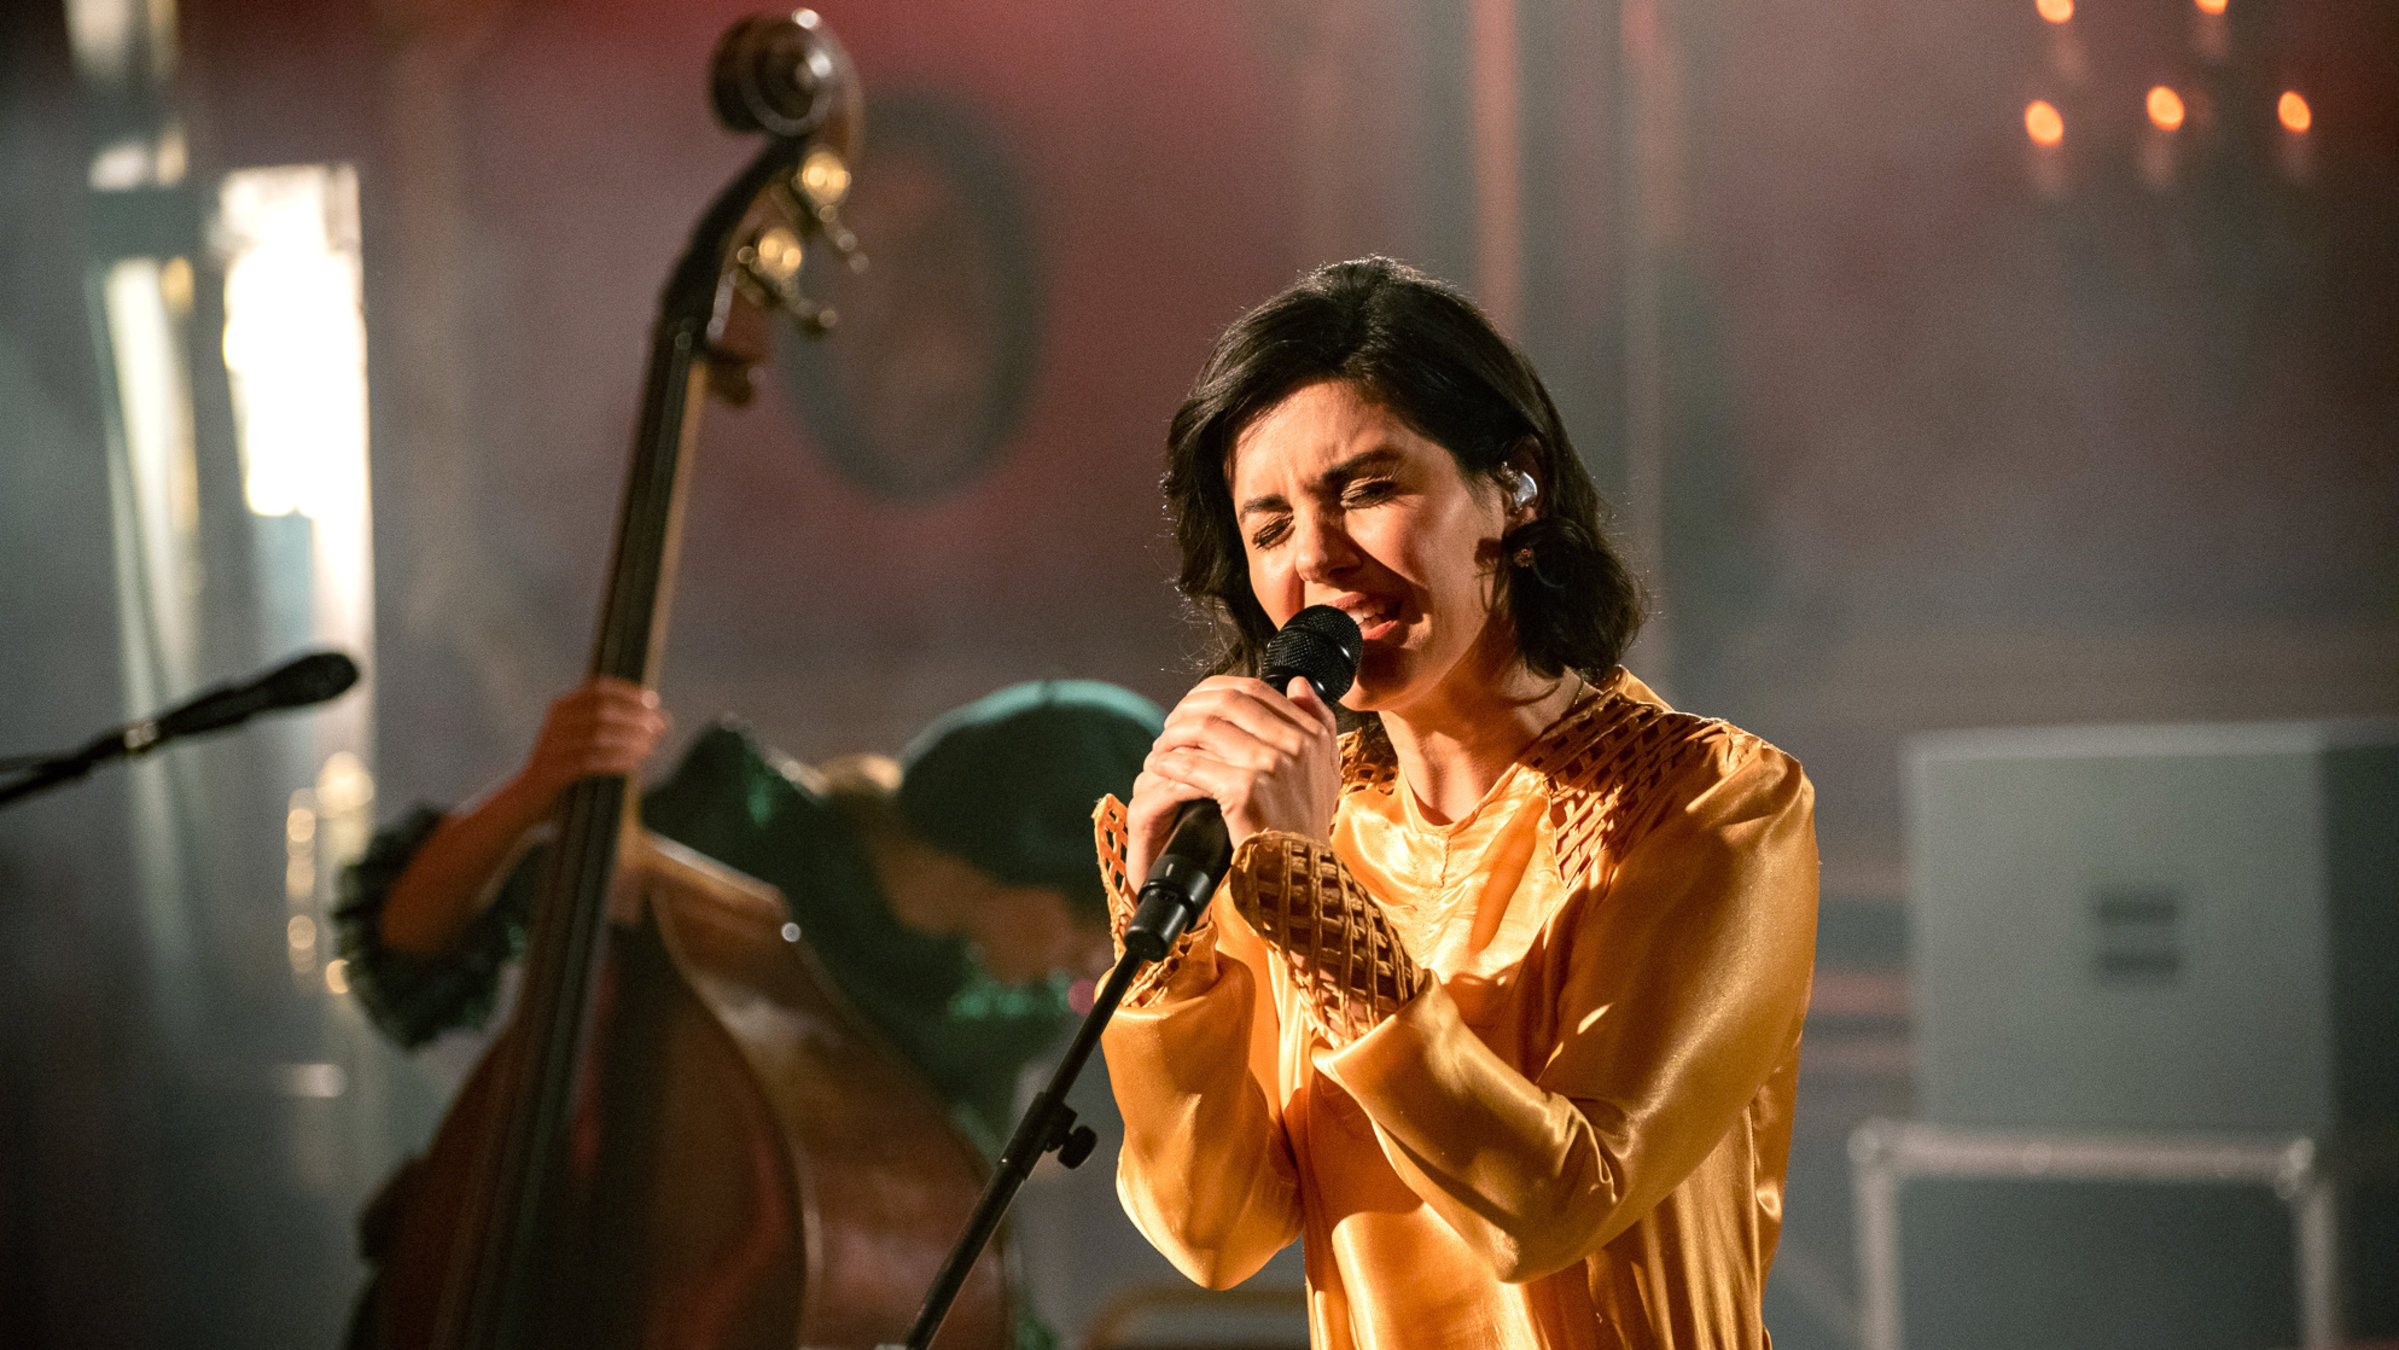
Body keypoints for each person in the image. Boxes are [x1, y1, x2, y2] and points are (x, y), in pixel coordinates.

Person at [1094, 258, 1819, 1349]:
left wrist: (1311, 909)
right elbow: (1214, 1234)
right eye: (1270, 527)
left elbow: (1560, 1200)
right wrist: (1174, 957)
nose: (1320, 561)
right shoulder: (1309, 829)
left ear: (1514, 487)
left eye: (1367, 491)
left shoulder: (1711, 804)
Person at [336, 676, 1162, 1152]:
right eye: (1096, 926)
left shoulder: (999, 1017)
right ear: (1008, 868)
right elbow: (410, 945)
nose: (1095, 963)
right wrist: (537, 788)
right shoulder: (741, 829)